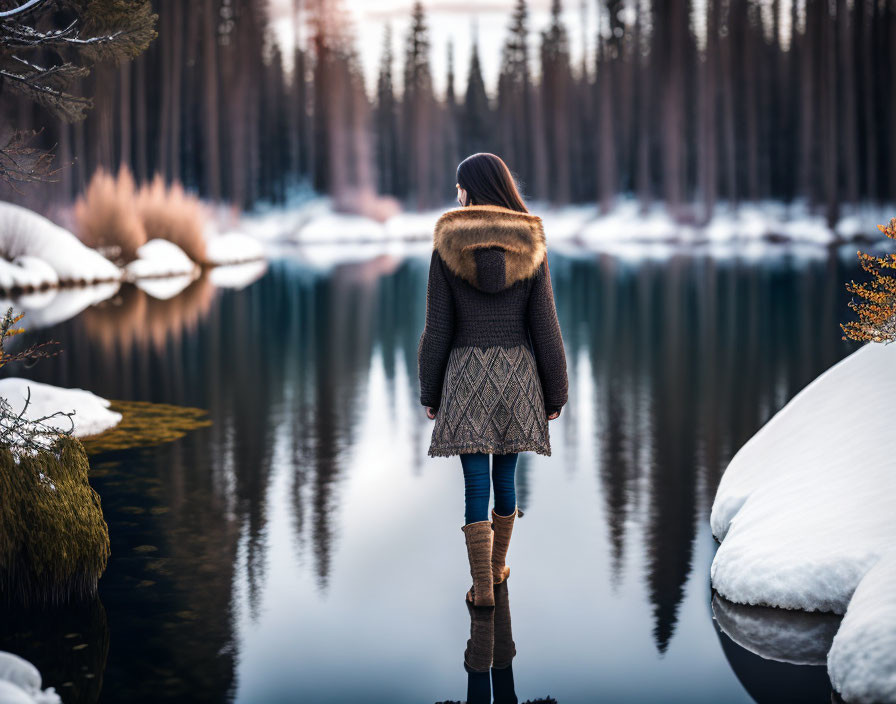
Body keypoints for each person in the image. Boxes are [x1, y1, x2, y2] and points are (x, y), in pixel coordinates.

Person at [417, 152, 568, 607]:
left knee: (475, 484)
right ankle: (499, 568)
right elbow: (545, 325)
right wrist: (556, 389)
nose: (456, 194)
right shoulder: (530, 242)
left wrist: (430, 390)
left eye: (459, 186)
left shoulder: (448, 244)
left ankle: (482, 589)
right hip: (518, 377)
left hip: (464, 376)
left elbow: (438, 327)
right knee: (505, 476)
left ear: (472, 189)